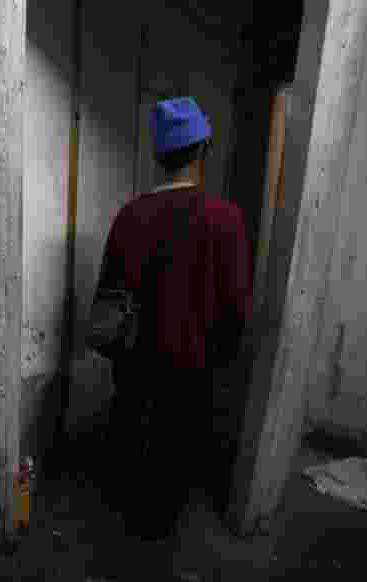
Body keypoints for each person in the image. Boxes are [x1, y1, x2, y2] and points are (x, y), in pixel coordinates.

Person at [95, 97, 252, 541]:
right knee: (177, 444)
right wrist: (222, 356)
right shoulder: (227, 219)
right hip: (194, 361)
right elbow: (236, 304)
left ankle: (123, 510)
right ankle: (158, 525)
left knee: (130, 428)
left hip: (135, 355)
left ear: (159, 156)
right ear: (204, 150)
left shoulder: (131, 216)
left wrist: (115, 351)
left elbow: (110, 292)